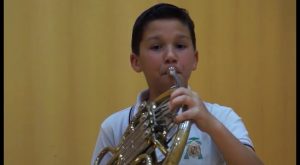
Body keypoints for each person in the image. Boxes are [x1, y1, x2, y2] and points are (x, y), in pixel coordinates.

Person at [91, 3, 263, 165]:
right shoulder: (114, 126)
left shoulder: (222, 117)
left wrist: (211, 125)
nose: (171, 56)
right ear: (136, 62)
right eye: (156, 47)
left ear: (195, 60)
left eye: (180, 45)